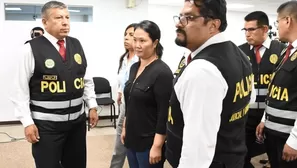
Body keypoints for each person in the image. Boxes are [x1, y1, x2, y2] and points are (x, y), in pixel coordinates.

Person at [166, 0, 255, 168]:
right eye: (180, 16)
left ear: (213, 25)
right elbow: (247, 99)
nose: (179, 23)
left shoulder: (202, 70)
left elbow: (197, 150)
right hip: (231, 155)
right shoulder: (239, 54)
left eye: (188, 17)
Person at [10, 1, 98, 168]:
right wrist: (27, 122)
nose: (65, 22)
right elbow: (19, 90)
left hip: (76, 123)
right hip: (46, 126)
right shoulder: (30, 49)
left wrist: (92, 105)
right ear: (44, 22)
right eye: (58, 18)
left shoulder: (76, 44)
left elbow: (85, 77)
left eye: (67, 17)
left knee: (76, 164)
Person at [121, 20, 173, 168]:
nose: (137, 45)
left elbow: (164, 113)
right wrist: (125, 127)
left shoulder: (162, 72)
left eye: (142, 41)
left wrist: (157, 146)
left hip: (149, 143)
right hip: (132, 138)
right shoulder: (134, 68)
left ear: (155, 42)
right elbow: (129, 102)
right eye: (135, 40)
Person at [238, 11, 286, 168]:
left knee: (276, 157)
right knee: (241, 155)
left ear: (265, 29)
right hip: (246, 115)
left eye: (251, 29)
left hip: (272, 116)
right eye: (245, 30)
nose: (247, 34)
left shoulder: (282, 51)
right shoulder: (239, 51)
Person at [256, 1, 297, 168]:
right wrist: (265, 119)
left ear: (287, 21)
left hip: (288, 138)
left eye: (277, 21)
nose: (277, 26)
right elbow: (276, 90)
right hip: (274, 133)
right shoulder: (286, 52)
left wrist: (295, 141)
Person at [110, 23, 138, 168]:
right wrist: (120, 91)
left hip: (138, 104)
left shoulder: (141, 59)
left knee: (133, 141)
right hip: (125, 104)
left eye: (131, 35)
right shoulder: (124, 58)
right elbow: (122, 78)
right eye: (125, 34)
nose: (126, 38)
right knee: (120, 139)